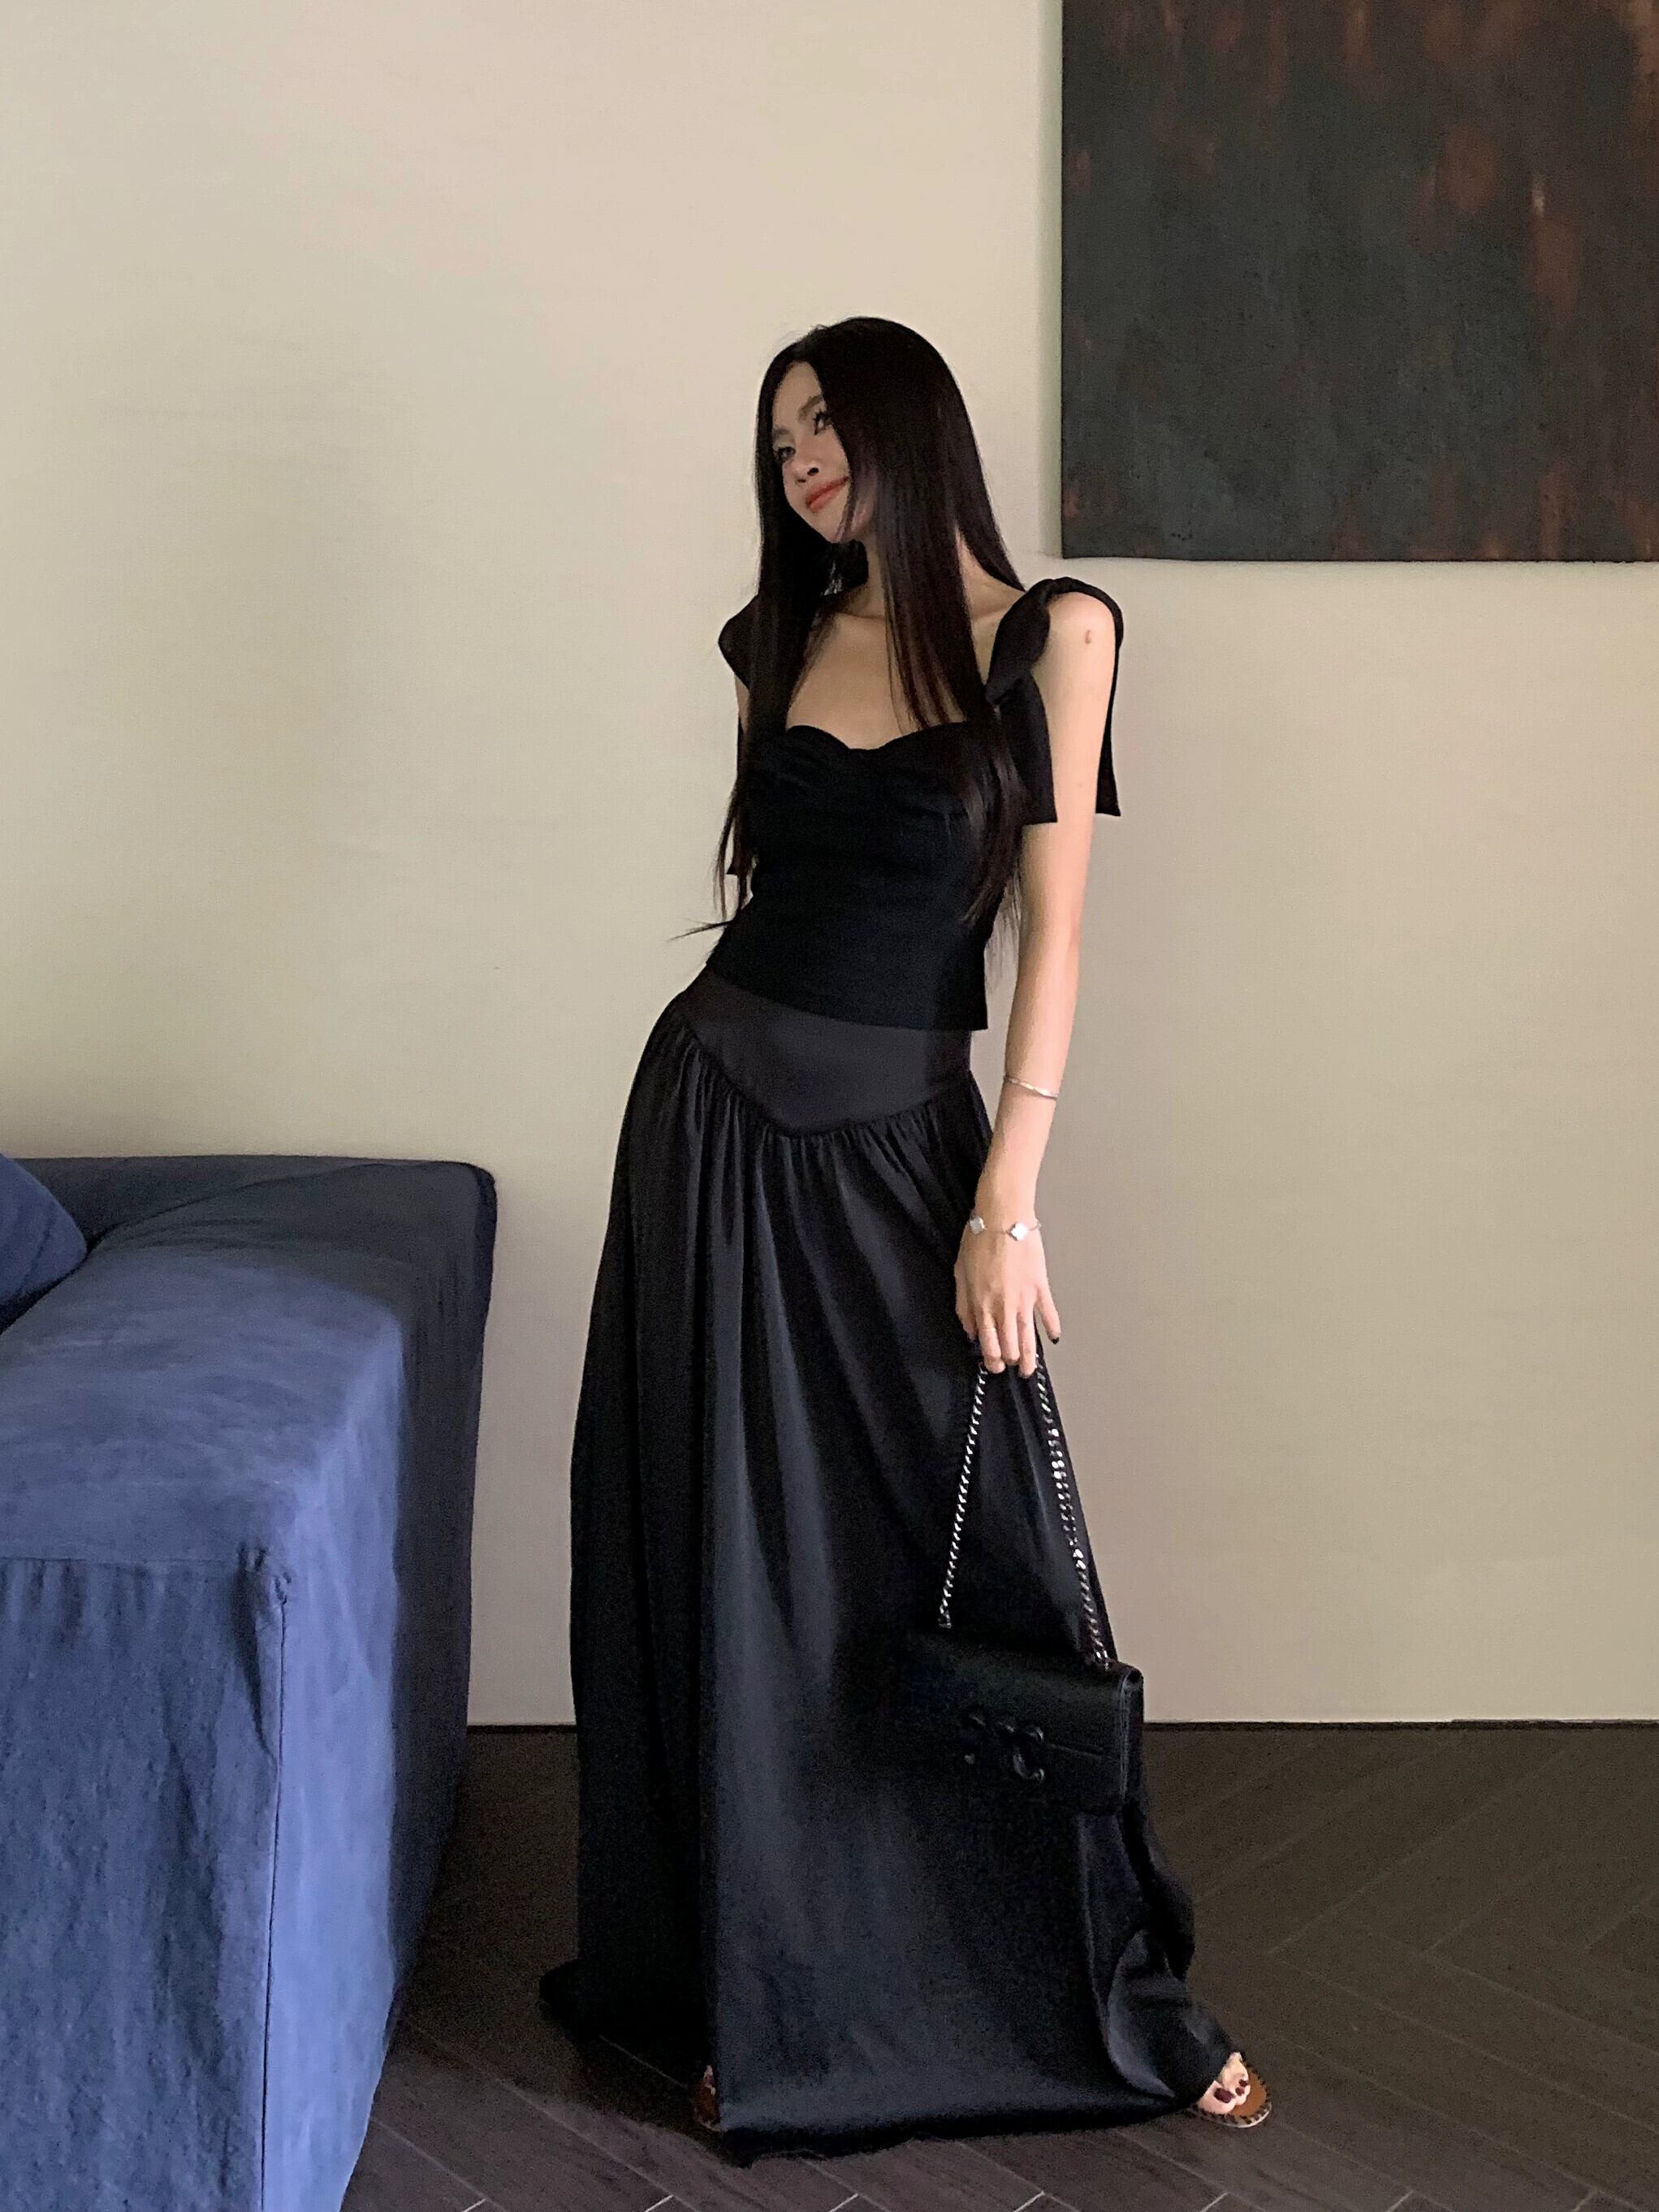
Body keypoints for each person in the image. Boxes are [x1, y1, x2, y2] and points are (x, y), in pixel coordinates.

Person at [539, 315, 1271, 2149]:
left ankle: (1103, 1996)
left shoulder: (1056, 636)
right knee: (738, 1561)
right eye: (778, 438)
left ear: (909, 423)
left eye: (826, 425)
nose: (799, 462)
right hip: (711, 1126)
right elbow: (768, 894)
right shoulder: (774, 642)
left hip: (907, 1153)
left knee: (979, 1555)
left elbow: (1056, 939)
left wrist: (1006, 1199)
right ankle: (754, 1992)